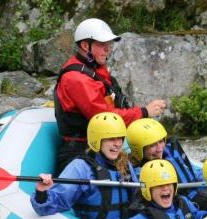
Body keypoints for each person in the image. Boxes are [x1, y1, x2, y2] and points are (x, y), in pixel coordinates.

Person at [54, 17, 166, 173]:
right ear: (85, 45)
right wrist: (144, 112)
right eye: (102, 45)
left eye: (109, 44)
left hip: (104, 146)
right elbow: (104, 118)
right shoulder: (76, 78)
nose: (108, 49)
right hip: (79, 150)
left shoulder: (95, 69)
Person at [31, 112, 138, 219]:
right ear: (97, 139)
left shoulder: (124, 163)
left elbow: (137, 198)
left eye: (120, 138)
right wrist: (42, 192)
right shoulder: (80, 167)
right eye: (111, 138)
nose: (118, 144)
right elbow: (50, 205)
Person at [126, 118, 204, 199]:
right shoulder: (137, 173)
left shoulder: (171, 152)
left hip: (198, 194)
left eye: (161, 141)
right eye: (152, 145)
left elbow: (193, 171)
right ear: (139, 149)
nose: (159, 149)